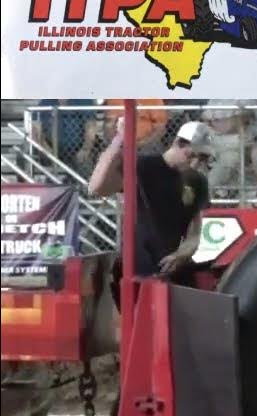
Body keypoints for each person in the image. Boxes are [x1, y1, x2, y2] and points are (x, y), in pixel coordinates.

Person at [88, 120, 214, 302]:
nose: (195, 163)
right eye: (191, 155)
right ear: (178, 143)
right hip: (139, 269)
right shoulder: (143, 167)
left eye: (202, 159)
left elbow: (195, 233)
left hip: (173, 272)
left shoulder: (198, 181)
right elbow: (96, 188)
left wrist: (183, 253)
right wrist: (119, 139)